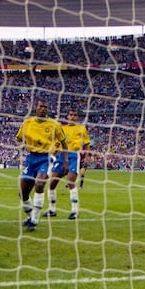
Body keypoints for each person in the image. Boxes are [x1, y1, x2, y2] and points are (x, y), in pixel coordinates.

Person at [15, 99, 68, 231]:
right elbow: (18, 138)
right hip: (31, 158)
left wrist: (65, 161)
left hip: (47, 157)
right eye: (41, 106)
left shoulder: (54, 124)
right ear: (36, 108)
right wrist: (21, 146)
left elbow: (64, 143)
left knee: (39, 184)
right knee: (23, 192)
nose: (43, 109)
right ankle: (30, 216)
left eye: (45, 107)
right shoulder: (27, 123)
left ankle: (34, 221)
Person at [43, 109, 90, 220]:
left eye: (75, 115)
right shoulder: (62, 128)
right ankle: (52, 210)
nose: (73, 117)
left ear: (77, 117)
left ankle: (75, 211)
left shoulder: (81, 128)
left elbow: (87, 144)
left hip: (73, 156)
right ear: (67, 116)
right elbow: (57, 143)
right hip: (61, 156)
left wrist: (86, 157)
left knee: (70, 182)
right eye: (71, 115)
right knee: (52, 183)